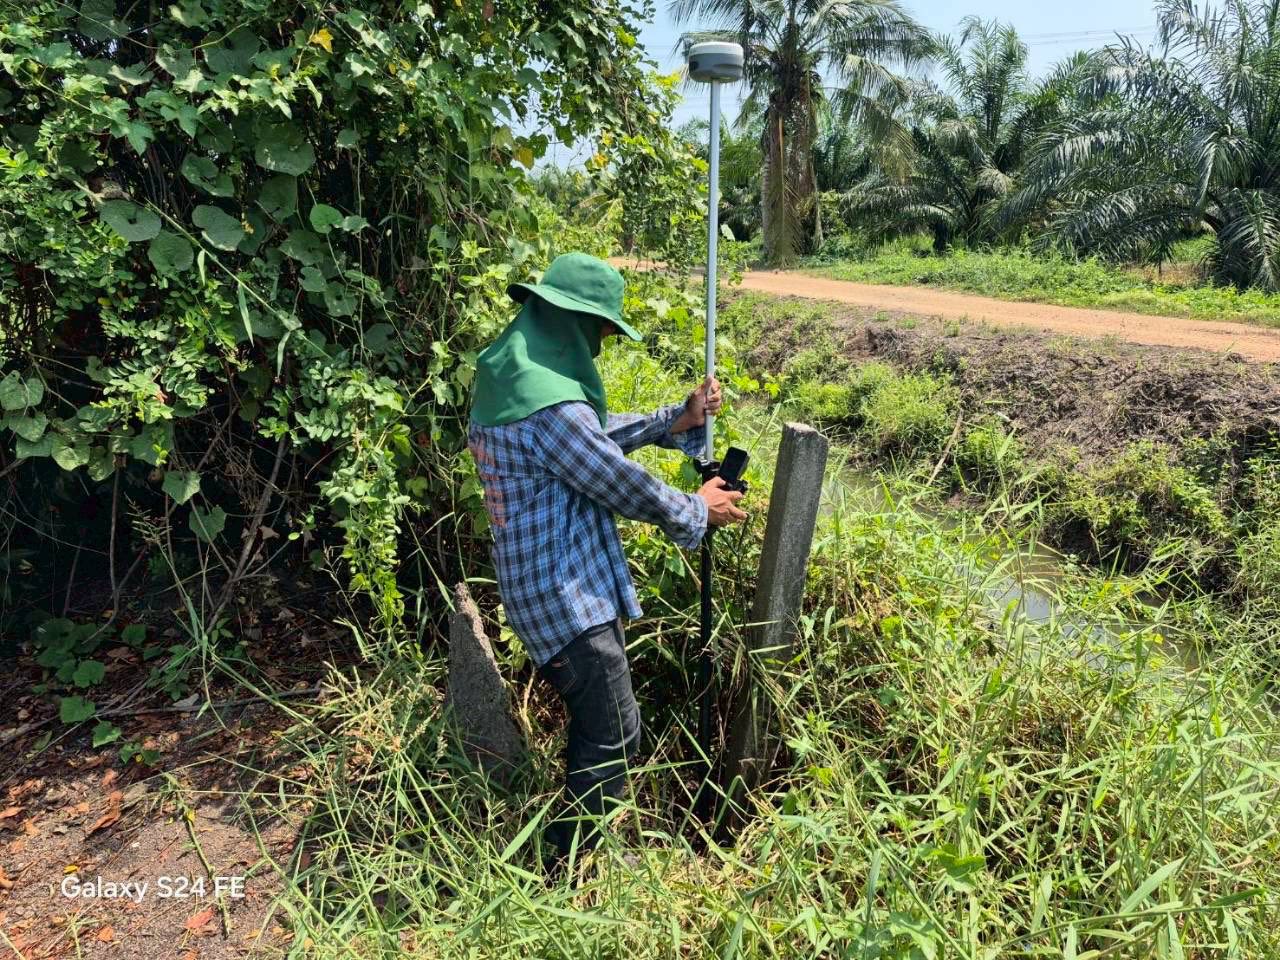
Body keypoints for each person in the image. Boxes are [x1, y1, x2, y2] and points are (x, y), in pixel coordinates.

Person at [467, 251, 747, 867]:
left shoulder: (512, 375)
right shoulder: (552, 407)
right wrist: (696, 509)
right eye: (599, 330)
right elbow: (616, 480)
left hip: (538, 586)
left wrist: (673, 420)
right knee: (615, 734)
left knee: (599, 727)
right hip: (569, 600)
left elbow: (585, 441)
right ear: (571, 322)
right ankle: (563, 869)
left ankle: (572, 851)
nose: (598, 346)